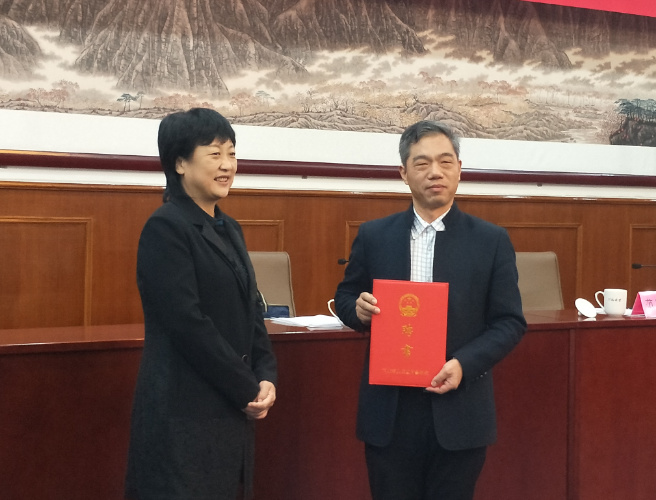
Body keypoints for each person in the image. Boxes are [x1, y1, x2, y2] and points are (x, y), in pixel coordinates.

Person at [334, 120, 526, 500]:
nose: (435, 172)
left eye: (445, 161)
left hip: (459, 408)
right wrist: (357, 309)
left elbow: (509, 322)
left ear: (459, 169)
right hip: (390, 413)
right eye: (422, 163)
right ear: (403, 173)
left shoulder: (490, 241)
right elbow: (345, 296)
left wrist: (464, 365)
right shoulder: (374, 235)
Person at [125, 108, 277, 500]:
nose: (227, 165)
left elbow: (251, 310)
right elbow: (188, 324)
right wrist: (245, 387)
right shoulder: (166, 227)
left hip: (229, 411)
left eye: (232, 153)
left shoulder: (230, 228)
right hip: (183, 414)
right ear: (179, 163)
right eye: (214, 154)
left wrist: (266, 375)